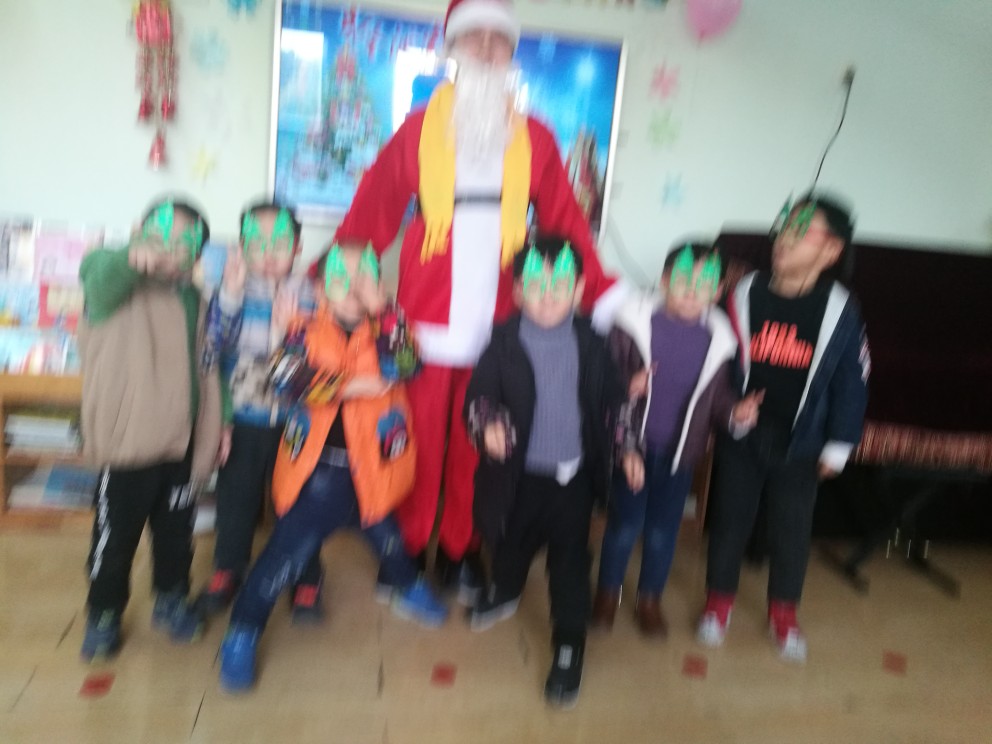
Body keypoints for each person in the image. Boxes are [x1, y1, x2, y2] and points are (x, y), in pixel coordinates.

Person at [316, 0, 627, 594]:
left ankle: (460, 549)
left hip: (503, 322)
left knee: (480, 446)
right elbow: (373, 209)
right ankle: (407, 549)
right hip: (425, 322)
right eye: (474, 36)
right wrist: (327, 278)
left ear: (511, 53)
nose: (486, 47)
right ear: (453, 48)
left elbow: (566, 226)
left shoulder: (536, 137)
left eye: (498, 38)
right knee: (412, 441)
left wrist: (606, 295)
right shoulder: (417, 130)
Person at [219, 243, 448, 692]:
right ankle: (242, 631)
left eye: (365, 277)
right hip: (317, 477)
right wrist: (354, 386)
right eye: (341, 278)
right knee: (283, 558)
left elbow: (407, 365)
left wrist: (383, 310)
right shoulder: (302, 327)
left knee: (388, 540)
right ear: (321, 289)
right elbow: (286, 377)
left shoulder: (389, 327)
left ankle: (407, 587)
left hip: (374, 473)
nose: (354, 288)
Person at [697, 194, 870, 663]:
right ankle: (718, 602)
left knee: (791, 532)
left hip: (801, 445)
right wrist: (730, 410)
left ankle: (784, 612)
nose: (784, 240)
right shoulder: (743, 293)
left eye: (800, 232)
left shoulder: (839, 309)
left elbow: (852, 381)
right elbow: (718, 361)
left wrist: (839, 444)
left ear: (830, 250)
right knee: (729, 523)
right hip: (743, 438)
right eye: (784, 227)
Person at [463, 236, 622, 708]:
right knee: (509, 542)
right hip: (519, 476)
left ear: (579, 290)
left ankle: (569, 642)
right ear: (517, 291)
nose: (548, 295)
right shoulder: (502, 343)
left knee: (569, 565)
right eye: (535, 285)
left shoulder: (594, 344)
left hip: (573, 480)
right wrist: (488, 423)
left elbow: (613, 403)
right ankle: (506, 590)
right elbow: (480, 395)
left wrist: (628, 447)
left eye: (559, 285)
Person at [592, 242, 762, 637]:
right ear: (665, 280)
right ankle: (607, 593)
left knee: (662, 532)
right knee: (624, 525)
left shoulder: (720, 340)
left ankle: (649, 598)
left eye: (704, 284)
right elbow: (602, 382)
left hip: (680, 455)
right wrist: (626, 389)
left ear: (716, 291)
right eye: (683, 280)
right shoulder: (630, 323)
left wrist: (736, 412)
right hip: (632, 450)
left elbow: (718, 398)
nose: (691, 291)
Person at [78, 197, 222, 661]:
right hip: (129, 446)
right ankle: (103, 613)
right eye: (159, 235)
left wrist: (216, 427)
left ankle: (171, 598)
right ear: (137, 230)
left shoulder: (195, 298)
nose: (169, 248)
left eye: (185, 243)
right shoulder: (109, 274)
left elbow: (207, 366)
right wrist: (128, 257)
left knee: (177, 535)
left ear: (195, 255)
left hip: (181, 446)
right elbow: (100, 281)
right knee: (115, 539)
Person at [196, 200, 324, 621]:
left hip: (295, 422)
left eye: (280, 243)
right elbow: (213, 349)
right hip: (244, 420)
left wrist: (290, 331)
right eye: (256, 243)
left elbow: (318, 359)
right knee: (236, 499)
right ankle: (228, 569)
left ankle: (306, 574)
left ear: (298, 247)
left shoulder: (311, 294)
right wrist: (231, 296)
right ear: (242, 247)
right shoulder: (227, 286)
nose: (268, 253)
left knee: (299, 501)